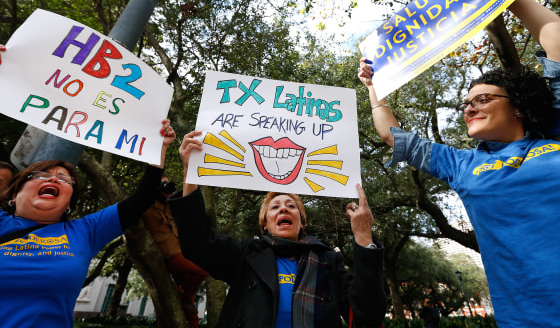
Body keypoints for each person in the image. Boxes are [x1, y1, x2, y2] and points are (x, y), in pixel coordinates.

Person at [358, 0, 560, 328]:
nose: (470, 107)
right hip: (529, 320)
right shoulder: (461, 164)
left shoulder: (555, 133)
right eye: (466, 103)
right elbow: (392, 135)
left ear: (518, 105)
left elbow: (555, 36)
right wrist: (374, 87)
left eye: (482, 98)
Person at [166, 130, 386, 328]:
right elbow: (198, 243)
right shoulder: (247, 254)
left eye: (291, 206)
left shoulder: (328, 261)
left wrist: (364, 237)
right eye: (275, 207)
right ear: (265, 223)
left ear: (302, 221)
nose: (284, 210)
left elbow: (368, 316)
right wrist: (190, 173)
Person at [0, 119, 176, 328]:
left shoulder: (85, 232)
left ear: (67, 206)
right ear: (14, 195)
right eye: (41, 175)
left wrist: (160, 147)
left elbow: (141, 200)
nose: (53, 180)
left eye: (64, 179)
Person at [143, 175, 208, 327]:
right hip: (169, 254)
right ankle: (184, 294)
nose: (166, 186)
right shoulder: (147, 204)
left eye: (167, 183)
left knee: (189, 306)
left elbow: (188, 207)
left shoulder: (170, 205)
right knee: (203, 269)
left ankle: (191, 318)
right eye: (162, 184)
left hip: (180, 251)